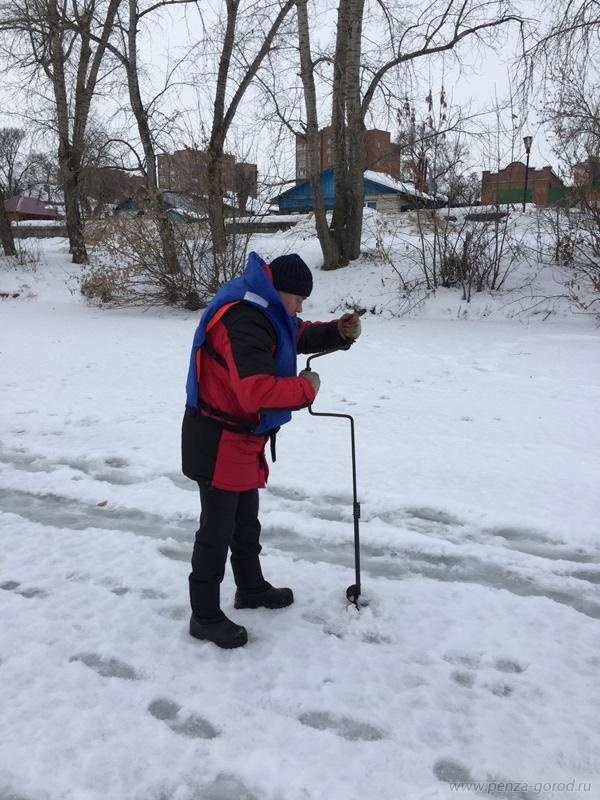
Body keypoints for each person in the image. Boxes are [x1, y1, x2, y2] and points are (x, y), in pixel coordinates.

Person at [182, 251, 362, 649]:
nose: (300, 308)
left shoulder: (265, 308)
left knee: (245, 523)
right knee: (216, 531)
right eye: (298, 299)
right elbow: (256, 393)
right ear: (279, 291)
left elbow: (294, 334)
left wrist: (337, 333)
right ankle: (204, 616)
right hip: (217, 439)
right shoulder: (244, 319)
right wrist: (305, 389)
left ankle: (250, 588)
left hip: (241, 438)